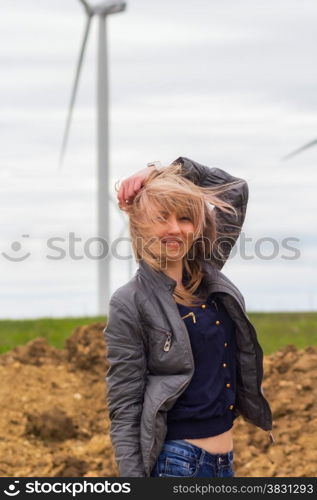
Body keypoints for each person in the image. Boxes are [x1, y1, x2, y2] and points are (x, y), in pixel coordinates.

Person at [103, 157, 275, 478]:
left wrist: (164, 170)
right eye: (161, 217)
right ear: (140, 225)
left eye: (185, 218)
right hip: (177, 463)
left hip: (224, 462)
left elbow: (235, 189)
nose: (174, 228)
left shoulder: (207, 274)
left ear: (197, 227)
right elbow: (125, 408)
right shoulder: (130, 302)